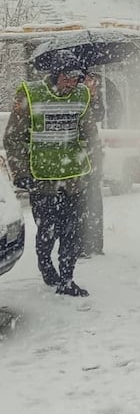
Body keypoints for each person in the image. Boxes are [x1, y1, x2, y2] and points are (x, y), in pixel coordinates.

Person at [2, 49, 97, 296]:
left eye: (77, 77)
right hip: (42, 179)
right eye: (68, 76)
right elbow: (13, 138)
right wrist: (21, 171)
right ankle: (46, 267)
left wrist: (94, 163)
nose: (72, 82)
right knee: (47, 232)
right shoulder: (30, 95)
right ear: (55, 74)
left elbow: (90, 134)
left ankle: (67, 278)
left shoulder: (81, 95)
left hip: (74, 179)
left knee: (73, 232)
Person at [78, 71, 107, 257]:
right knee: (78, 200)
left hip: (91, 153)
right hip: (75, 155)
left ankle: (95, 243)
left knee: (94, 197)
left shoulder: (90, 86)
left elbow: (98, 114)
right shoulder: (69, 90)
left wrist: (93, 94)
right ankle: (80, 243)